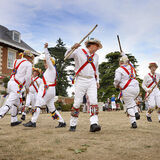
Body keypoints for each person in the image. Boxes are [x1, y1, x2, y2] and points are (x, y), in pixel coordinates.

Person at [23, 43, 66, 128]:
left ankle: (33, 121)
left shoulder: (51, 68)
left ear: (50, 62)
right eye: (45, 62)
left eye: (46, 62)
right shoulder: (50, 70)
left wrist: (46, 49)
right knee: (52, 108)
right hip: (50, 90)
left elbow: (48, 58)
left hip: (47, 90)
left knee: (38, 104)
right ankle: (62, 122)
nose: (45, 63)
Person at [65, 38, 102, 132]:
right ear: (92, 45)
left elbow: (96, 70)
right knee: (77, 102)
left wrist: (97, 80)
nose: (97, 48)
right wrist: (72, 47)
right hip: (80, 79)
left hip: (92, 80)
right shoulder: (78, 51)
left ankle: (94, 124)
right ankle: (73, 124)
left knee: (94, 101)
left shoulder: (96, 56)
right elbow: (66, 56)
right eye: (97, 46)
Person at [0, 50, 33, 126]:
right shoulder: (28, 64)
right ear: (28, 57)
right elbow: (28, 77)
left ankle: (13, 120)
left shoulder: (16, 61)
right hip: (17, 86)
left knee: (16, 102)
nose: (31, 59)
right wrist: (27, 87)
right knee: (10, 102)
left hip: (11, 83)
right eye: (30, 57)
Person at [114, 53, 140, 128]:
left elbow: (117, 79)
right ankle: (136, 112)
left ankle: (133, 123)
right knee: (132, 101)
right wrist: (123, 54)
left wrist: (115, 85)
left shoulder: (119, 70)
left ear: (120, 63)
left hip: (127, 89)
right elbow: (127, 59)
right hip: (136, 88)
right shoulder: (131, 66)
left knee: (129, 106)